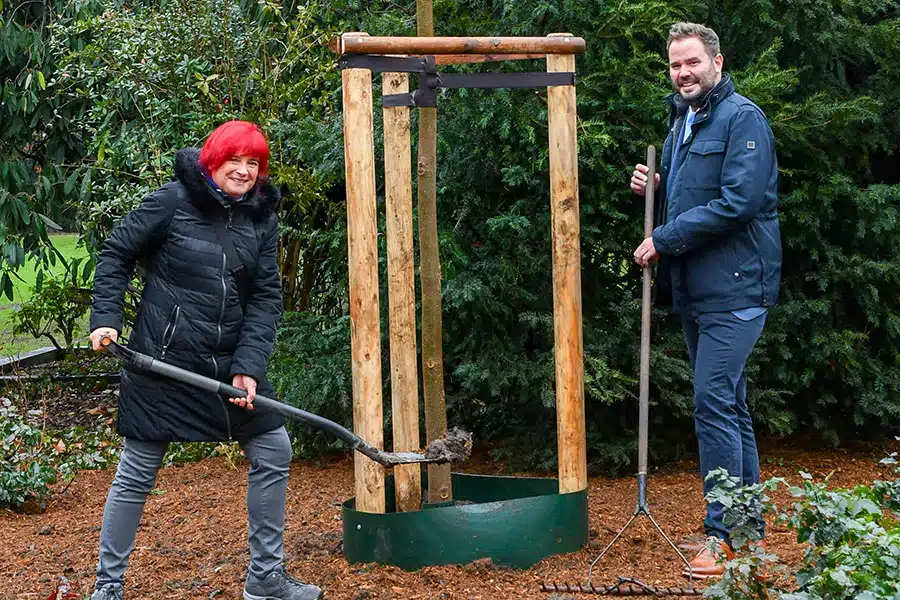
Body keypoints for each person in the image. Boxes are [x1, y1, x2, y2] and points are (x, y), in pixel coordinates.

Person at [88, 120, 323, 600]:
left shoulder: (261, 217)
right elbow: (116, 252)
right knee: (138, 468)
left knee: (274, 449)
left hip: (226, 365)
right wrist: (106, 317)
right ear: (212, 162)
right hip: (163, 361)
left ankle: (265, 579)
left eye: (252, 163)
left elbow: (265, 296)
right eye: (234, 161)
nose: (243, 171)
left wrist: (249, 365)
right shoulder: (171, 202)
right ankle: (108, 587)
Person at [630, 23, 782, 579]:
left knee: (713, 402)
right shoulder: (683, 122)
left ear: (717, 61)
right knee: (731, 406)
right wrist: (658, 187)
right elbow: (692, 195)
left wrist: (665, 238)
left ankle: (722, 535)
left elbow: (739, 202)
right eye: (675, 65)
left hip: (738, 288)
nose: (684, 73)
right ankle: (746, 530)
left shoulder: (743, 118)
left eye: (693, 62)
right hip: (698, 289)